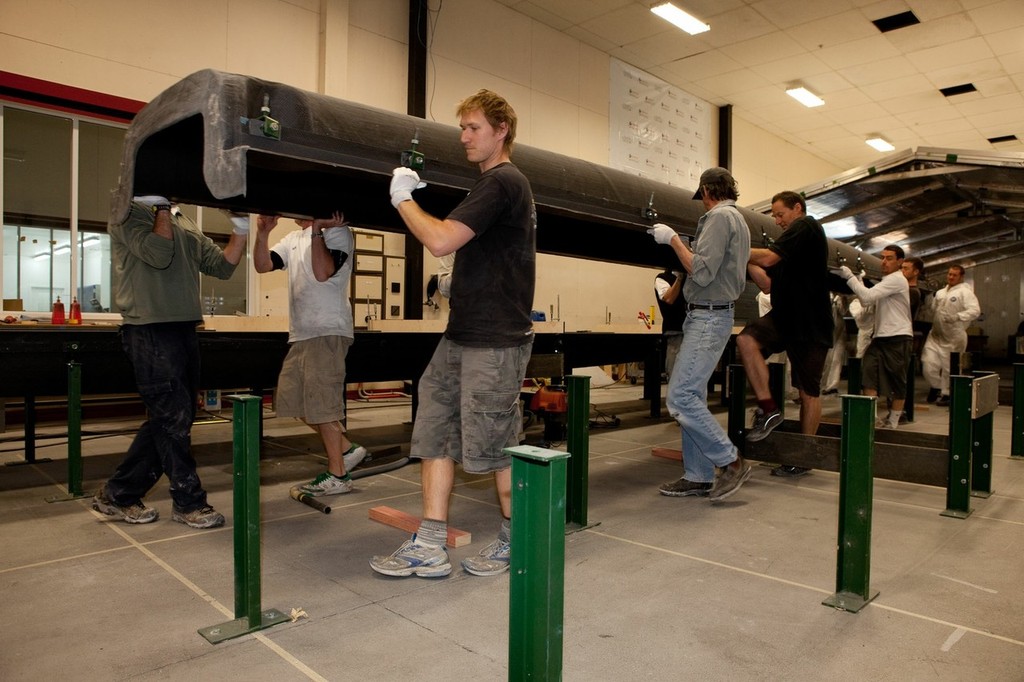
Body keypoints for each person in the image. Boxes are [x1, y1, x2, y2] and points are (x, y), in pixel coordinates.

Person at [370, 89, 535, 578]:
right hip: (462, 333)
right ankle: (431, 542)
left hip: (495, 340)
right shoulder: (490, 187)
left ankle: (517, 538)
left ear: (501, 130)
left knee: (495, 441)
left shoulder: (503, 181)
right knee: (436, 427)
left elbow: (441, 238)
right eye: (461, 128)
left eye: (473, 128)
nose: (463, 137)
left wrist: (402, 198)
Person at [91, 196, 249, 528]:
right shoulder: (127, 211)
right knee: (172, 418)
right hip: (149, 326)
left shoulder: (181, 218)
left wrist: (241, 226)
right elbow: (158, 253)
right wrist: (161, 207)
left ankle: (118, 494)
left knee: (173, 417)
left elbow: (222, 265)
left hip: (183, 326)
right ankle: (188, 502)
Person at [648, 167, 751, 502]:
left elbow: (702, 271)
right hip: (713, 316)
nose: (702, 204)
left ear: (708, 190)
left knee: (680, 398)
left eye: (702, 197)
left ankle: (730, 461)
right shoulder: (740, 220)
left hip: (707, 317)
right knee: (694, 396)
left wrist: (674, 240)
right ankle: (698, 475)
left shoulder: (719, 219)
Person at [252, 211, 368, 496]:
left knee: (321, 405)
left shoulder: (337, 232)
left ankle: (338, 474)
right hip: (302, 333)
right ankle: (346, 449)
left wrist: (318, 229)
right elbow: (262, 265)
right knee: (292, 402)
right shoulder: (291, 238)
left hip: (327, 330)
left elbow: (322, 272)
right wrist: (264, 233)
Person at [738, 190, 833, 478]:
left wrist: (734, 248)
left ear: (797, 209)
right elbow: (767, 284)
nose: (777, 220)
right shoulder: (788, 246)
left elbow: (767, 258)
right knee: (746, 340)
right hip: (784, 317)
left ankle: (804, 456)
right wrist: (745, 261)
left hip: (810, 323)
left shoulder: (807, 226)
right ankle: (769, 409)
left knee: (808, 391)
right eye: (774, 215)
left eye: (780, 214)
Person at [837, 245, 913, 428]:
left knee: (897, 380)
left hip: (898, 337)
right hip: (880, 337)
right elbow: (866, 299)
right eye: (883, 258)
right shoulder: (886, 281)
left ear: (900, 261)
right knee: (868, 375)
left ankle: (893, 422)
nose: (884, 262)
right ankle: (871, 419)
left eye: (889, 258)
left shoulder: (896, 280)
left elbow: (868, 297)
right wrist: (858, 281)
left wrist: (849, 277)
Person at [921, 265, 980, 406]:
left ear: (961, 277)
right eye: (949, 274)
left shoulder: (965, 293)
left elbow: (975, 311)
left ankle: (947, 394)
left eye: (954, 275)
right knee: (928, 364)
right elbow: (933, 310)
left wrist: (957, 316)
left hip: (954, 336)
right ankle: (936, 386)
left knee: (949, 367)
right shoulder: (940, 293)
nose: (951, 277)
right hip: (935, 335)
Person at [654, 264, 686, 381]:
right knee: (675, 372)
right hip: (675, 330)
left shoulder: (691, 277)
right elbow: (669, 298)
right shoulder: (662, 278)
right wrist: (680, 278)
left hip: (693, 329)